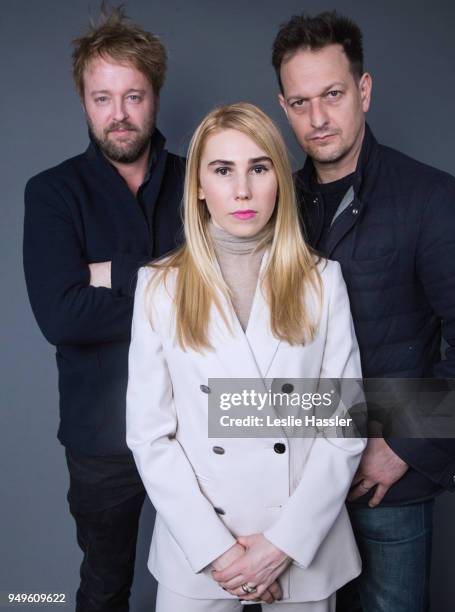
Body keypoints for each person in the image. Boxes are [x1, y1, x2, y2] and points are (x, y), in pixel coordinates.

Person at [126, 102, 366, 612]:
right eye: (222, 170)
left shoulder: (322, 281)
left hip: (302, 543)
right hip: (199, 547)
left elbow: (344, 427)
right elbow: (149, 436)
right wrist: (217, 552)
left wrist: (280, 547)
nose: (242, 190)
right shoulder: (159, 287)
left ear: (278, 179)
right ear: (197, 185)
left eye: (258, 168)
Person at [272, 11, 455, 612]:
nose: (317, 118)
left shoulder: (431, 197)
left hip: (387, 479)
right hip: (296, 477)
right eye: (300, 102)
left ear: (364, 90)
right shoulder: (275, 205)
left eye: (331, 94)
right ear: (283, 106)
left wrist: (403, 444)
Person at [23, 6, 184, 611]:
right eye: (102, 98)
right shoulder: (52, 191)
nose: (119, 114)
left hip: (195, 425)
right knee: (103, 587)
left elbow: (223, 296)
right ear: (84, 103)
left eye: (133, 96)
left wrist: (109, 274)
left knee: (217, 580)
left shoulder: (200, 181)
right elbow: (61, 316)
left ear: (155, 98)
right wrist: (171, 284)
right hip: (100, 436)